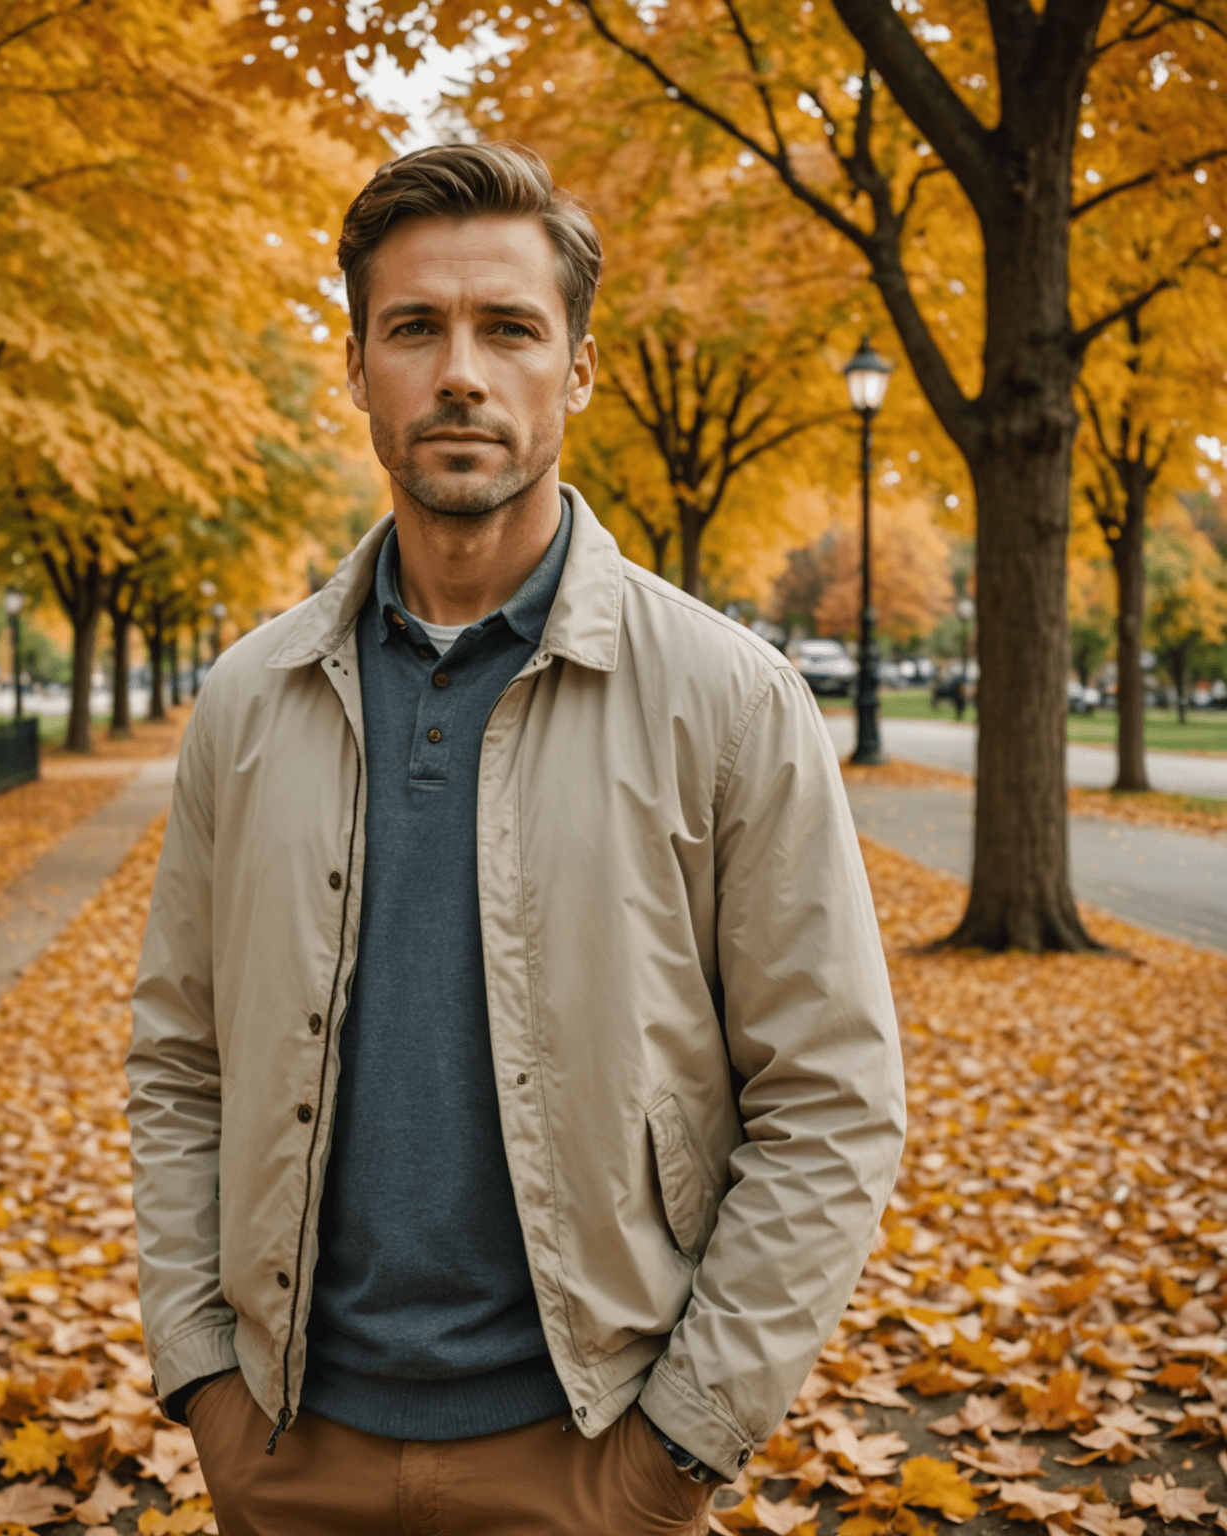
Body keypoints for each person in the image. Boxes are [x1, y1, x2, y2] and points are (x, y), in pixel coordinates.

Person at [126, 141, 906, 1536]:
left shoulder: (730, 701)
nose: (461, 373)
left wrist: (682, 1442)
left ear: (580, 369)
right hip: (287, 1448)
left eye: (509, 329)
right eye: (415, 329)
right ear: (359, 367)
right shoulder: (249, 699)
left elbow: (831, 1098)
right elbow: (181, 1061)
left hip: (591, 1456)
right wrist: (203, 1380)